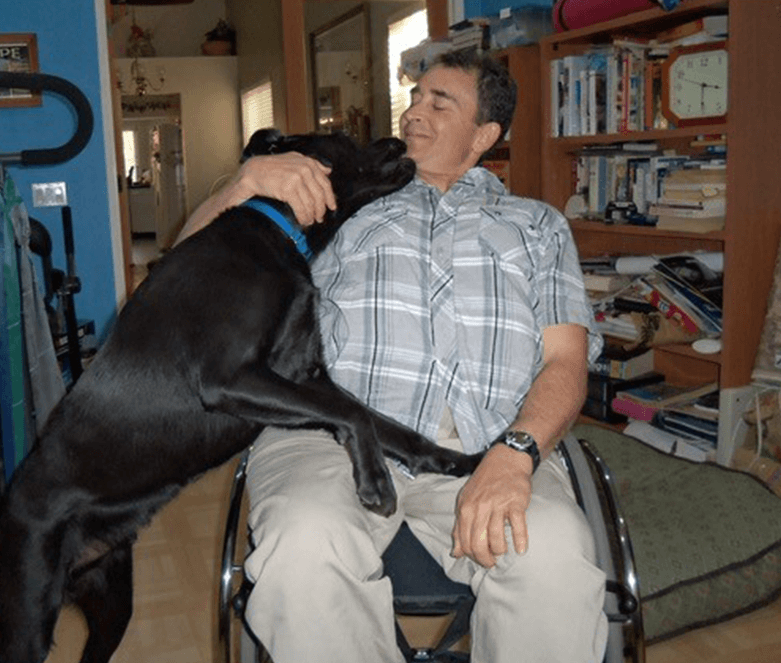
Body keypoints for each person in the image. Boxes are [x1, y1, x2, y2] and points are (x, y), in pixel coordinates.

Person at [178, 49, 607, 663]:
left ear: (485, 134)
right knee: (303, 550)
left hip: (487, 442)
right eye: (414, 98)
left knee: (555, 560)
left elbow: (567, 363)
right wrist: (246, 183)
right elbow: (187, 275)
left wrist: (515, 456)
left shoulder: (536, 226)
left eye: (440, 102)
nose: (413, 114)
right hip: (330, 434)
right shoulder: (339, 204)